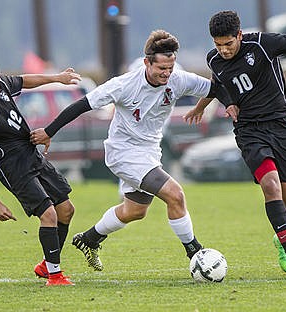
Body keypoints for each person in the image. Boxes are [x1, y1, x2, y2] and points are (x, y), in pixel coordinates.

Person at [30, 30, 229, 271]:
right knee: (175, 194)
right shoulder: (124, 85)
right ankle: (196, 254)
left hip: (150, 152)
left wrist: (202, 107)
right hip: (123, 152)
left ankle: (89, 239)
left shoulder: (178, 79)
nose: (167, 74)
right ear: (147, 62)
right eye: (161, 68)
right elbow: (81, 106)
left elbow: (216, 89)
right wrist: (49, 131)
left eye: (170, 67)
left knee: (135, 211)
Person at [184, 11, 286, 274]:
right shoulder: (213, 60)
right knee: (271, 186)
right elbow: (218, 85)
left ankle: (282, 237)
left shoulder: (262, 44)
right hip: (249, 131)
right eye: (218, 45)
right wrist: (211, 105)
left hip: (282, 125)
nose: (223, 50)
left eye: (228, 43)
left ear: (239, 35)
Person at [0, 58, 82, 286]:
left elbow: (25, 81)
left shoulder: (0, 85)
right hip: (14, 170)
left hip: (33, 156)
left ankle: (46, 264)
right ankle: (54, 276)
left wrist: (58, 78)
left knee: (66, 210)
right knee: (49, 215)